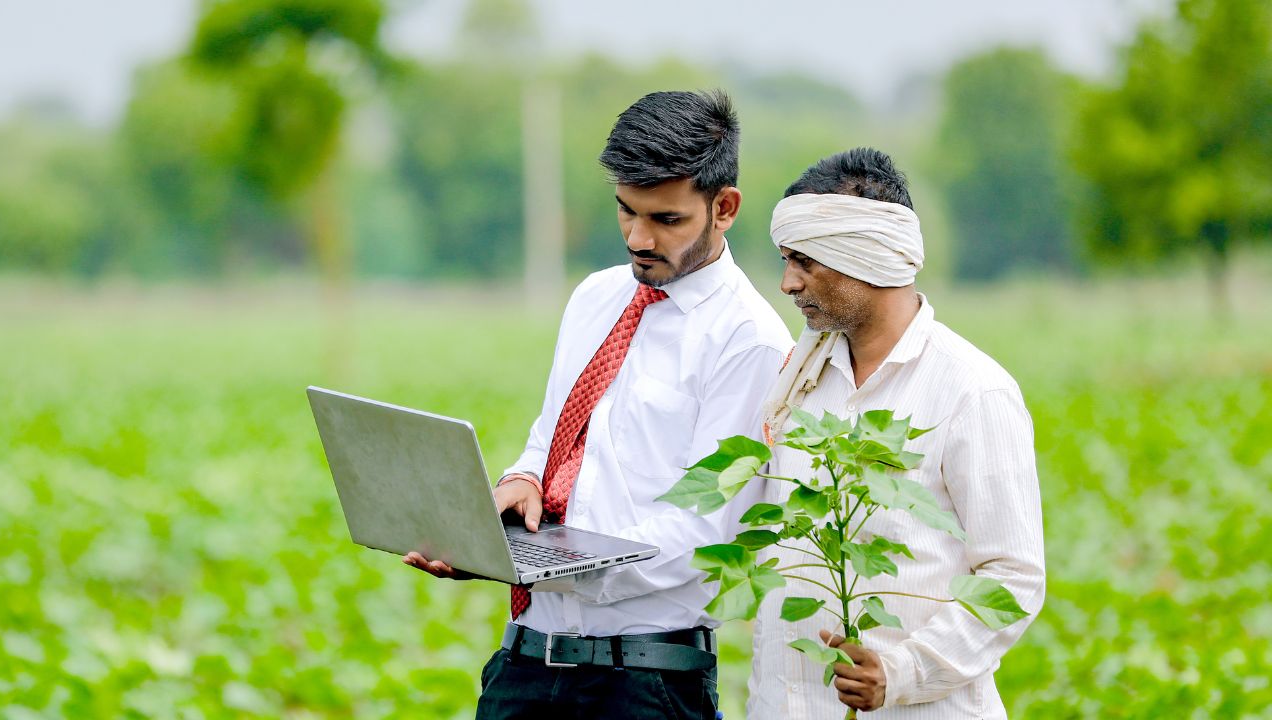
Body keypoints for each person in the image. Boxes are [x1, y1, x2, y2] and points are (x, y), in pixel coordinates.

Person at [405, 90, 793, 719]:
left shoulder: (749, 340)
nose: (639, 238)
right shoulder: (595, 297)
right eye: (626, 211)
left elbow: (702, 534)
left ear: (724, 208)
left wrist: (536, 563)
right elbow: (553, 434)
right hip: (524, 665)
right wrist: (520, 483)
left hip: (643, 683)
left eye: (665, 219)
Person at [748, 148, 1045, 719]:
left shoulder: (971, 391)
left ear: (869, 257)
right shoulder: (799, 381)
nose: (787, 283)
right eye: (786, 260)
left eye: (805, 262)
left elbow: (1013, 576)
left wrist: (903, 672)